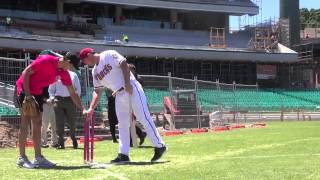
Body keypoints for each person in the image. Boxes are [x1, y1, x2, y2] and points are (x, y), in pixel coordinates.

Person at [80, 48, 166, 163]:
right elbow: (97, 91)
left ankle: (160, 146)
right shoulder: (94, 71)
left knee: (143, 117)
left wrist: (127, 83)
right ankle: (123, 154)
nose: (84, 63)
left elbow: (124, 64)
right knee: (122, 124)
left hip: (131, 87)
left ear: (89, 55)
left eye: (84, 60)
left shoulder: (108, 54)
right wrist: (91, 108)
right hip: (119, 94)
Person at [15, 52, 85, 169]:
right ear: (67, 61)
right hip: (23, 89)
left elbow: (73, 93)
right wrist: (27, 95)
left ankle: (38, 158)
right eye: (72, 66)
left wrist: (83, 109)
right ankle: (22, 158)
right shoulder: (46, 60)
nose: (72, 69)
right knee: (25, 123)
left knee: (37, 123)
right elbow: (25, 73)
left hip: (37, 93)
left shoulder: (64, 74)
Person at [49, 70, 81, 149]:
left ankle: (73, 138)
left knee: (72, 121)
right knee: (59, 122)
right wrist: (52, 98)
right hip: (58, 100)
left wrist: (76, 99)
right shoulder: (55, 74)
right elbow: (51, 89)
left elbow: (78, 89)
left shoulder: (73, 74)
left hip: (71, 99)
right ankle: (61, 143)